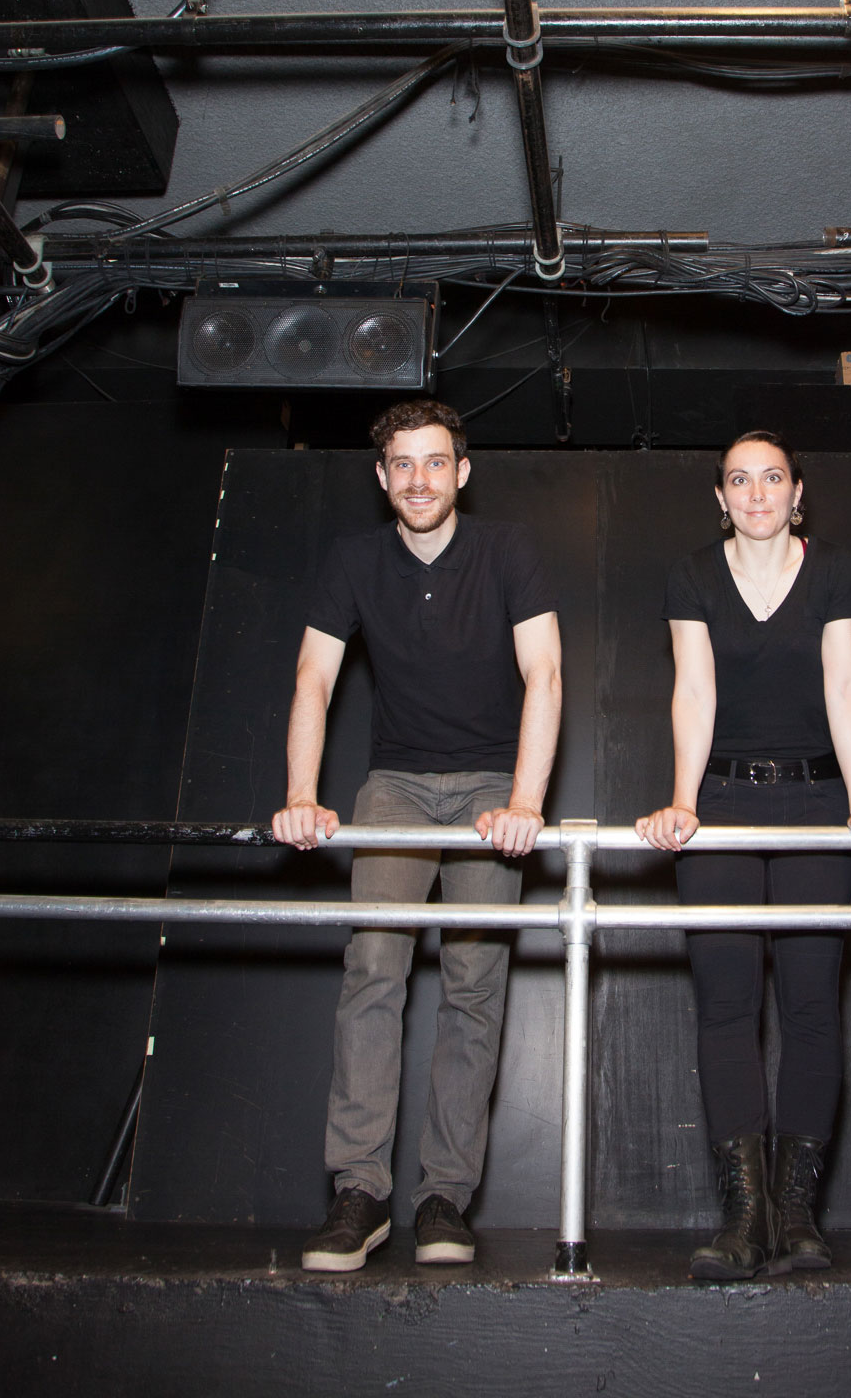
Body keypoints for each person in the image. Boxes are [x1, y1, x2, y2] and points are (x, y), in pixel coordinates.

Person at [273, 398, 562, 1273]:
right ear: (381, 478)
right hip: (396, 785)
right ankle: (357, 1193)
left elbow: (544, 673)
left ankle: (444, 1197)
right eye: (402, 465)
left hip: (486, 785)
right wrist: (300, 795)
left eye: (435, 462)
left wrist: (521, 801)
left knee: (474, 987)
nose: (418, 480)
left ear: (461, 472)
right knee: (373, 973)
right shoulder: (354, 560)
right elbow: (313, 680)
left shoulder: (507, 551)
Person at [636, 431, 851, 1280]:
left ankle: (796, 1217)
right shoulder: (690, 574)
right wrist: (684, 804)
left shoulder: (834, 569)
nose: (755, 494)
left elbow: (844, 684)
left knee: (808, 1007)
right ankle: (742, 1217)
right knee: (725, 1007)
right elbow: (694, 689)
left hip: (814, 801)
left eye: (771, 479)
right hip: (721, 801)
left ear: (798, 491)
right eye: (737, 481)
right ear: (719, 497)